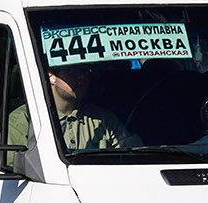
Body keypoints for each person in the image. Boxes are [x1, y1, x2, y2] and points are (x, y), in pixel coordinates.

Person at [8, 62, 139, 152]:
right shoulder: (23, 120)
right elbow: (16, 168)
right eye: (73, 71)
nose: (82, 77)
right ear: (51, 77)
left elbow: (133, 154)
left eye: (86, 71)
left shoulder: (103, 119)